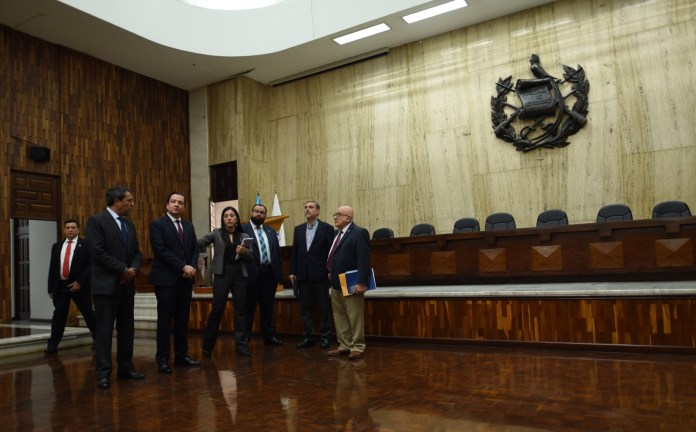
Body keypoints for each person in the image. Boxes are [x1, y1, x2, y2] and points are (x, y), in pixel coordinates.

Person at [85, 186, 144, 389]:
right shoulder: (96, 221)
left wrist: (133, 269)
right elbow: (97, 252)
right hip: (106, 287)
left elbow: (137, 252)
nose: (132, 204)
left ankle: (126, 368)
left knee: (127, 329)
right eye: (129, 200)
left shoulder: (129, 225)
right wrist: (122, 270)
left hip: (126, 286)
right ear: (117, 201)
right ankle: (103, 373)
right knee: (104, 331)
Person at [149, 192, 200, 373]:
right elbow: (161, 250)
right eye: (173, 202)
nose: (176, 205)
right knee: (165, 320)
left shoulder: (188, 225)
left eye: (180, 202)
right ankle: (162, 358)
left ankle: (181, 355)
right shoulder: (157, 225)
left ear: (184, 207)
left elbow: (195, 248)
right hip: (166, 279)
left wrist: (192, 267)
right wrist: (182, 267)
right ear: (167, 205)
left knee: (182, 319)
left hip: (185, 280)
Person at [198, 206, 254, 356]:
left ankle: (242, 346)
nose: (229, 218)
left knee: (240, 310)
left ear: (236, 219)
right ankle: (207, 347)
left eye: (232, 215)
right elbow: (201, 242)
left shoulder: (244, 236)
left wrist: (244, 252)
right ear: (223, 219)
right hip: (222, 274)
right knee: (217, 309)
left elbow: (251, 257)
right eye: (226, 216)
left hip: (239, 274)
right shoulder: (216, 233)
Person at [44, 219, 96, 355]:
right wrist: (50, 288)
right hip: (60, 286)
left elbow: (91, 265)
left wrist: (80, 281)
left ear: (78, 230)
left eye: (73, 227)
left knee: (88, 313)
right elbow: (52, 268)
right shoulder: (56, 246)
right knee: (59, 315)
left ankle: (98, 340)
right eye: (68, 227)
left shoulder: (86, 245)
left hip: (80, 286)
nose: (70, 230)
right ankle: (52, 345)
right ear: (64, 230)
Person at [326, 206, 371, 359]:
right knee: (339, 315)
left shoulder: (359, 233)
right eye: (335, 214)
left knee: (354, 315)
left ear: (349, 218)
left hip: (352, 282)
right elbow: (336, 256)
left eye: (339, 214)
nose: (335, 217)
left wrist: (362, 282)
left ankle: (358, 346)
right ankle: (344, 345)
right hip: (336, 282)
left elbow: (363, 259)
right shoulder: (335, 234)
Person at [289, 200, 334, 349]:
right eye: (306, 207)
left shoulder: (327, 228)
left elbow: (331, 253)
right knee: (306, 308)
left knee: (323, 307)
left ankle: (325, 337)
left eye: (311, 207)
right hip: (303, 275)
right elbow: (295, 252)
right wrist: (292, 272)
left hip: (320, 275)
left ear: (318, 211)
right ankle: (308, 337)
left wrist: (330, 271)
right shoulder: (298, 229)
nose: (307, 209)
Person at [242, 204, 284, 346]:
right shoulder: (243, 230)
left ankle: (269, 336)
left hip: (269, 274)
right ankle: (244, 339)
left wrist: (278, 274)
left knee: (267, 308)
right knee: (248, 308)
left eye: (262, 212)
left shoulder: (271, 231)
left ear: (265, 215)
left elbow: (277, 254)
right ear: (251, 212)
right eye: (256, 211)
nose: (259, 214)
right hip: (251, 275)